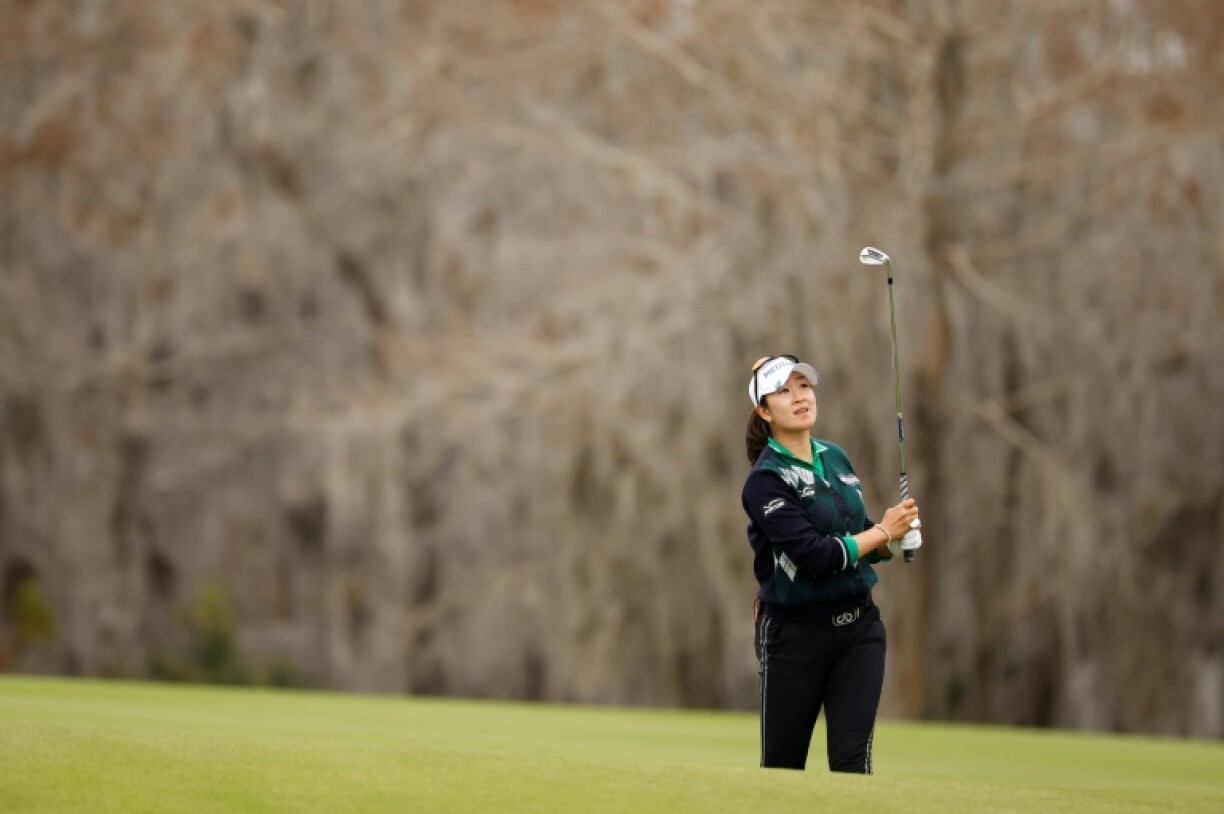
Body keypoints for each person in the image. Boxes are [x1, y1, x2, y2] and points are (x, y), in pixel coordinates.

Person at [742, 354, 920, 773]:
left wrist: (893, 540)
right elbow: (816, 555)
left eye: (804, 386)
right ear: (764, 411)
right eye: (783, 391)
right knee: (782, 770)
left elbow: (856, 532)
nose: (799, 397)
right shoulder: (765, 480)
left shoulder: (835, 457)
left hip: (859, 631)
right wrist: (883, 533)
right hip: (793, 637)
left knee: (852, 764)